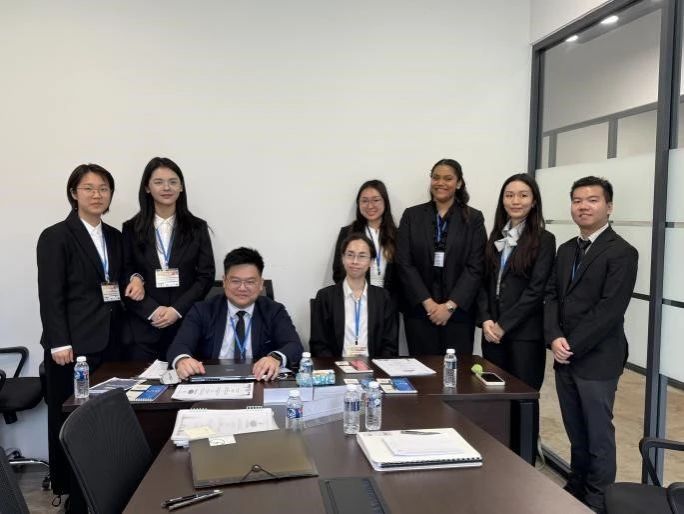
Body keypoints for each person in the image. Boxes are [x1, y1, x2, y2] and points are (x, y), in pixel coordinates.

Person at [37, 164, 141, 511]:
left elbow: (124, 272)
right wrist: (59, 342)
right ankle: (72, 494)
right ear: (74, 193)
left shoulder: (114, 235)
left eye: (103, 189)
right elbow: (50, 293)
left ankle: (105, 486)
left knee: (106, 418)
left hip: (112, 341)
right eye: (89, 188)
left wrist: (137, 277)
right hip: (72, 346)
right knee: (70, 420)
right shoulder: (56, 236)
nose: (97, 195)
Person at [544, 176, 638, 512]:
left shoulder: (622, 252)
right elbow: (552, 296)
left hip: (598, 358)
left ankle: (599, 500)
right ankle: (576, 486)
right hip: (564, 354)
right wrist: (553, 337)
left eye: (592, 200)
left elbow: (609, 310)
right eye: (577, 200)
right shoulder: (566, 249)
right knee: (575, 430)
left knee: (598, 435)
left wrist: (570, 344)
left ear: (609, 207)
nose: (583, 206)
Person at [476, 173, 556, 453]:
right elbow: (483, 283)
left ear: (534, 201)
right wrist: (486, 319)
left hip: (524, 336)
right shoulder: (496, 236)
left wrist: (504, 325)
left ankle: (525, 460)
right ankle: (498, 457)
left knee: (523, 400)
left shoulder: (545, 239)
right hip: (492, 333)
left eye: (523, 195)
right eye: (509, 195)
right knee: (495, 399)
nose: (515, 201)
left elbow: (536, 291)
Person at [122, 157, 215, 361]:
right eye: (159, 182)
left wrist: (176, 310)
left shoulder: (197, 228)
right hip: (144, 328)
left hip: (187, 326)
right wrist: (152, 310)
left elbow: (206, 276)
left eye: (173, 182)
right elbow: (125, 271)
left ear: (181, 187)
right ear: (147, 187)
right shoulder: (131, 228)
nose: (167, 187)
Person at [167, 247, 303, 380]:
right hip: (211, 380)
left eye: (250, 282)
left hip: (259, 380)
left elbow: (294, 346)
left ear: (261, 284)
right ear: (224, 282)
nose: (242, 288)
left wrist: (275, 358)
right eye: (235, 281)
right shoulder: (202, 310)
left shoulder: (274, 311)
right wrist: (183, 360)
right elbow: (179, 345)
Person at [396, 158, 486, 355]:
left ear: (459, 183)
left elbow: (476, 266)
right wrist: (428, 303)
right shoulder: (412, 216)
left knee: (456, 370)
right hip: (420, 311)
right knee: (421, 370)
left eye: (448, 178)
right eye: (436, 177)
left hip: (458, 313)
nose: (440, 183)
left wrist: (450, 306)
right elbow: (404, 263)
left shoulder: (474, 218)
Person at [311, 233, 398, 358]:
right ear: (342, 258)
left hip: (373, 365)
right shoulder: (325, 297)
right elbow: (318, 344)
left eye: (362, 256)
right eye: (350, 255)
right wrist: (336, 366)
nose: (355, 261)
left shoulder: (383, 298)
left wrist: (376, 367)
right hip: (336, 365)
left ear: (371, 262)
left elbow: (390, 344)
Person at [332, 180, 398, 294]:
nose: (370, 206)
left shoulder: (397, 235)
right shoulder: (348, 232)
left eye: (376, 200)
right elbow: (338, 272)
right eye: (364, 201)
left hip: (389, 300)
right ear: (358, 204)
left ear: (385, 202)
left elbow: (403, 274)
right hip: (357, 297)